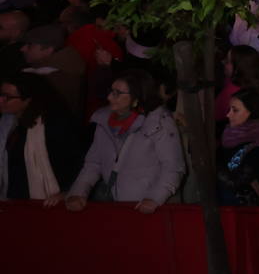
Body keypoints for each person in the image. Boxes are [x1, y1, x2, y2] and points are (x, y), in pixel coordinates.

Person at [57, 69, 183, 212]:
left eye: (117, 93)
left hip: (151, 208)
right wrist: (78, 193)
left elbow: (173, 167)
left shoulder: (159, 124)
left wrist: (154, 199)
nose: (110, 97)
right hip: (117, 205)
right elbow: (94, 163)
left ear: (136, 98)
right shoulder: (104, 121)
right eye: (111, 91)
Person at [4, 73, 89, 201]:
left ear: (28, 100)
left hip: (50, 202)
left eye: (8, 97)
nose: (1, 100)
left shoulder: (54, 125)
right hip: (15, 200)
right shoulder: (8, 124)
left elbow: (78, 162)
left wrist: (68, 191)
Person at [218, 88, 259, 206]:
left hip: (248, 215)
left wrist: (212, 164)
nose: (228, 114)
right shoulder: (229, 137)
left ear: (252, 112)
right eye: (229, 109)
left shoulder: (258, 150)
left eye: (235, 110)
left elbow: (235, 181)